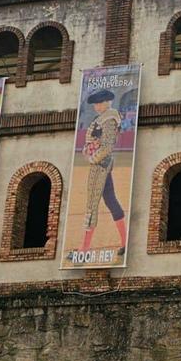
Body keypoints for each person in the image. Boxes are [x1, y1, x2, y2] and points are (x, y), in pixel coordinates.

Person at [74, 89, 128, 257]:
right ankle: (125, 243)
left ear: (106, 102)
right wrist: (87, 150)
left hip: (101, 164)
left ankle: (84, 248)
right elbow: (95, 141)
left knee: (92, 202)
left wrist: (93, 158)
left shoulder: (110, 118)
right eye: (95, 104)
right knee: (110, 200)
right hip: (101, 164)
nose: (96, 107)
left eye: (98, 103)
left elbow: (107, 146)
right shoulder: (103, 118)